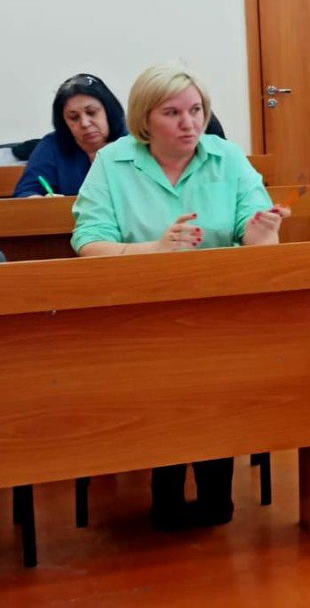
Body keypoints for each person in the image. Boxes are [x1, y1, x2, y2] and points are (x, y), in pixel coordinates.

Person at [72, 65, 290, 531]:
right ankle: (166, 491)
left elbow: (256, 238)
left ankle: (215, 493)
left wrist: (261, 233)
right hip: (137, 319)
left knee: (217, 373)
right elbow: (89, 243)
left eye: (196, 110)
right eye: (172, 113)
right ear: (144, 120)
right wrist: (155, 249)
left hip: (219, 317)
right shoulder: (112, 162)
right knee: (162, 378)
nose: (189, 123)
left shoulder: (227, 158)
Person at [14, 73, 127, 197]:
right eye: (74, 117)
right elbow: (25, 192)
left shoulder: (133, 140)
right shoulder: (53, 146)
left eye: (91, 112)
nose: (84, 123)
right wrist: (41, 200)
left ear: (109, 110)